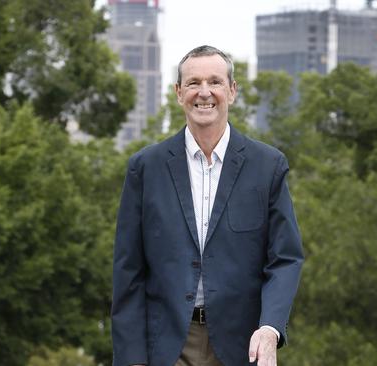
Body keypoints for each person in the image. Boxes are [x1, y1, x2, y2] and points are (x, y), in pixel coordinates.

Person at [111, 45, 304, 366]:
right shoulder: (145, 167)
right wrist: (131, 358)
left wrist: (270, 329)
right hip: (167, 344)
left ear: (232, 91)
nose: (204, 93)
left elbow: (285, 259)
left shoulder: (267, 165)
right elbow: (128, 271)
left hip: (242, 344)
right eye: (193, 83)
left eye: (215, 82)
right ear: (178, 92)